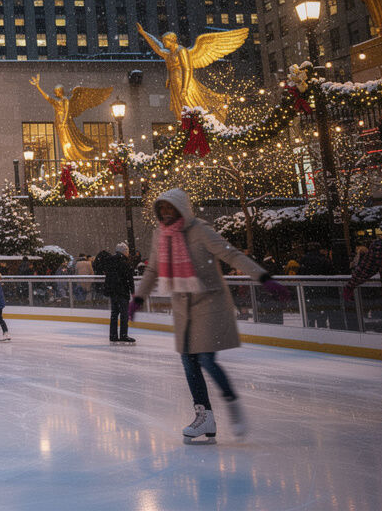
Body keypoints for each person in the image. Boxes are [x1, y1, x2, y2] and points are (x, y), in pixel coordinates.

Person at [128, 188, 288, 445]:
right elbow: (153, 270)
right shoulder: (160, 234)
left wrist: (263, 277)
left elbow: (231, 254)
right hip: (183, 307)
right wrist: (138, 299)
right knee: (188, 361)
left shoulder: (199, 230)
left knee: (205, 358)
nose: (166, 213)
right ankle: (205, 417)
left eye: (170, 208)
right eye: (162, 209)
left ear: (181, 208)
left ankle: (231, 402)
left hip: (210, 302)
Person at [344, 235, 382, 416]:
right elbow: (366, 268)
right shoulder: (381, 247)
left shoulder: (381, 246)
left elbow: (365, 269)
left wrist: (351, 285)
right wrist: (351, 285)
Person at [103, 243, 135, 344]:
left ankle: (113, 335)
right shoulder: (125, 263)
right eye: (127, 251)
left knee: (114, 313)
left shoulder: (110, 261)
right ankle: (123, 335)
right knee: (124, 314)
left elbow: (108, 277)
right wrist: (132, 291)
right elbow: (129, 279)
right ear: (124, 252)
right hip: (122, 291)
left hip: (113, 291)